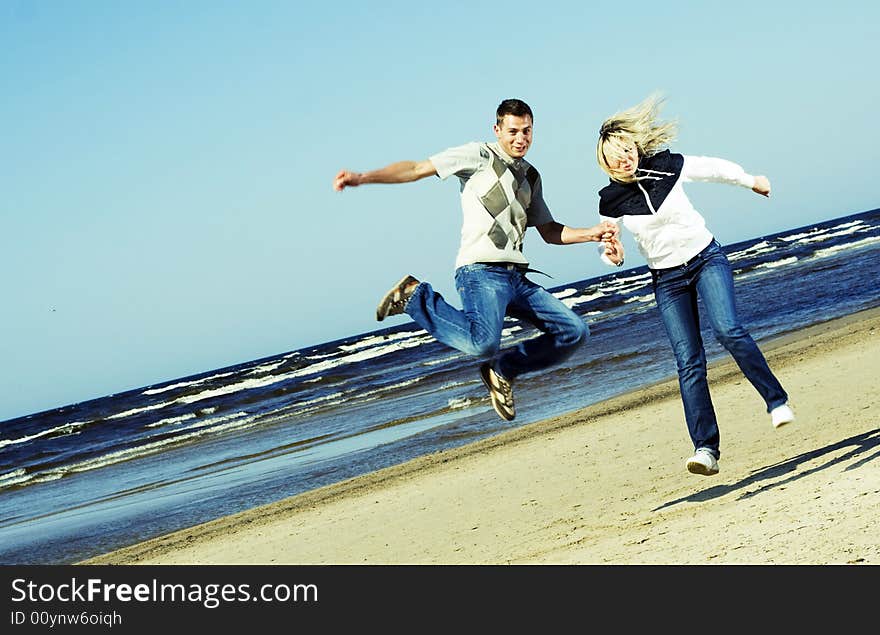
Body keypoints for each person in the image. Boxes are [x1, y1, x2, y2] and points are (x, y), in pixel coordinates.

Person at [334, 98, 618, 422]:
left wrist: (592, 233)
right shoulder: (478, 155)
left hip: (516, 278)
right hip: (480, 272)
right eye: (512, 131)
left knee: (574, 332)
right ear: (497, 130)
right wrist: (363, 177)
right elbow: (414, 169)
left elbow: (550, 231)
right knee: (482, 343)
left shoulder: (531, 176)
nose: (520, 138)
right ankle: (415, 296)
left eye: (526, 131)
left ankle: (503, 370)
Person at [594, 94, 794, 476]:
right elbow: (609, 244)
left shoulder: (669, 165)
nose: (625, 157)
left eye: (628, 148)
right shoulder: (610, 199)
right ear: (606, 162)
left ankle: (776, 401)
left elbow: (714, 169)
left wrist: (752, 181)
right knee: (688, 361)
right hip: (667, 280)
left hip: (706, 259)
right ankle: (706, 449)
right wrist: (612, 256)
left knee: (729, 330)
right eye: (616, 154)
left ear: (636, 145)